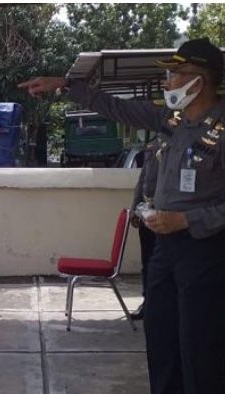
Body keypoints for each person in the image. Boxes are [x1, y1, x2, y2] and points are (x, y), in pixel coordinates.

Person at [19, 37, 225, 394]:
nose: (167, 83)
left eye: (175, 75)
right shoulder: (171, 120)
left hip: (205, 251)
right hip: (165, 250)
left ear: (198, 80)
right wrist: (65, 85)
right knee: (161, 338)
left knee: (200, 345)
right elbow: (118, 108)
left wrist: (188, 219)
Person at [129, 145, 158, 321]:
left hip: (168, 214)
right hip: (147, 213)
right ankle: (147, 302)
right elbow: (142, 180)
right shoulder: (153, 147)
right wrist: (134, 210)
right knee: (147, 262)